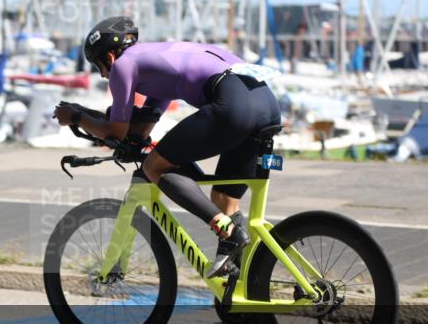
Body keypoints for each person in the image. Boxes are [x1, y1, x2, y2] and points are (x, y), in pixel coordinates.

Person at [53, 15, 282, 281]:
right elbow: (140, 129)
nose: (103, 75)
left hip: (233, 103)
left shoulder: (123, 65)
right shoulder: (158, 62)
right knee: (224, 200)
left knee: (155, 166)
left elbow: (116, 131)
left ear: (110, 57)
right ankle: (240, 293)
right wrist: (95, 117)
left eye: (99, 66)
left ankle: (227, 233)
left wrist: (75, 117)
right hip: (266, 103)